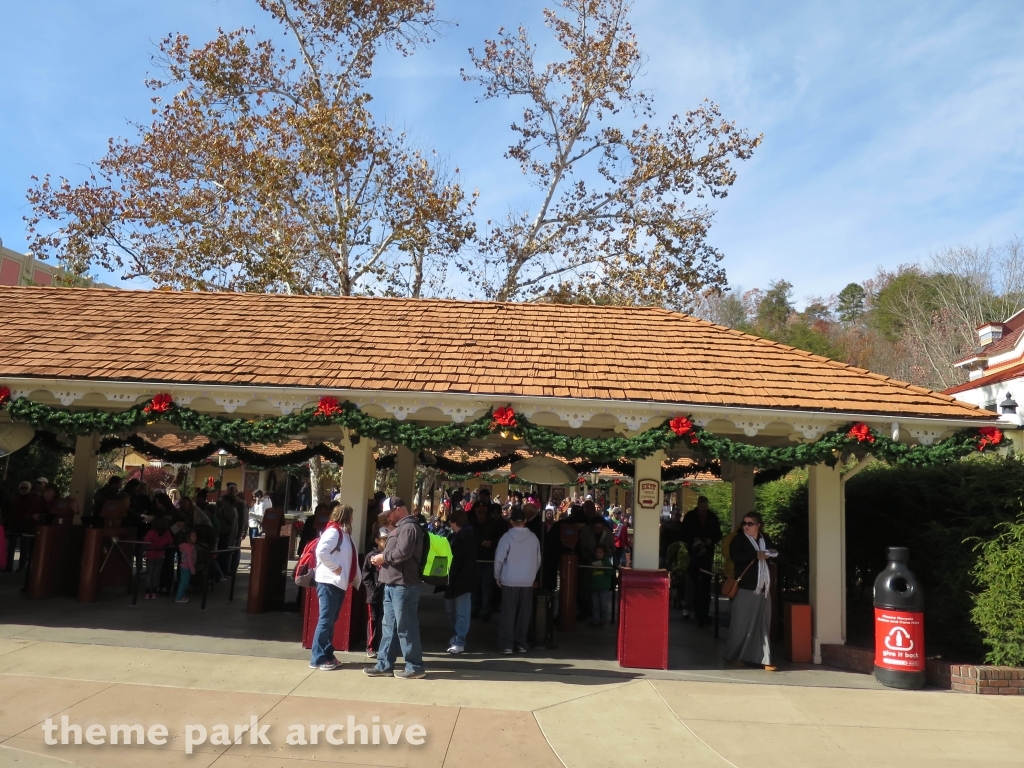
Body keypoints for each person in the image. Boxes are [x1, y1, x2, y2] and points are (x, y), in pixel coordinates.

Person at [364, 496, 426, 679]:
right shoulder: (404, 528)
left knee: (406, 627)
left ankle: (414, 667)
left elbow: (403, 552)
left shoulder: (409, 528)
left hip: (404, 585)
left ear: (398, 509)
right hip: (395, 584)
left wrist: (383, 557)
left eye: (389, 514)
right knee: (389, 626)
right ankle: (384, 664)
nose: (388, 518)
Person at [723, 512, 778, 671]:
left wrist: (772, 553)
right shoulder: (739, 539)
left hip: (763, 588)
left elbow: (776, 553)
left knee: (762, 623)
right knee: (741, 624)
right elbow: (735, 556)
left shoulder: (764, 539)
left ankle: (764, 658)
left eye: (750, 523)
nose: (746, 526)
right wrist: (755, 555)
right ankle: (733, 655)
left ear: (758, 525)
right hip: (746, 587)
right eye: (744, 523)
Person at [310, 504, 358, 671]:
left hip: (337, 583)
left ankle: (327, 654)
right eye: (351, 515)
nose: (353, 519)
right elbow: (322, 552)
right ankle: (318, 657)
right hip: (329, 582)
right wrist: (336, 567)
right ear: (346, 517)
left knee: (330, 620)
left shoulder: (343, 534)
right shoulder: (333, 532)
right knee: (326, 620)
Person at [493, 507, 541, 654]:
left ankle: (507, 644)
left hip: (509, 579)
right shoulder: (533, 538)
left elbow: (499, 560)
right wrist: (532, 576)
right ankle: (521, 642)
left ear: (511, 521)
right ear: (525, 521)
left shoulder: (506, 538)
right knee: (524, 614)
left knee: (508, 613)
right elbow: (538, 560)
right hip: (527, 580)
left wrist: (497, 576)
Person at [679, 496, 722, 627]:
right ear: (698, 505)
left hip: (707, 553)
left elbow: (718, 534)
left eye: (706, 507)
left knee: (705, 582)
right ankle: (687, 607)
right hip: (694, 553)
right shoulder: (690, 516)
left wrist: (711, 540)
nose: (704, 509)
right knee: (692, 580)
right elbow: (683, 533)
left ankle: (703, 610)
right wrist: (693, 540)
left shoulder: (712, 517)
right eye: (702, 507)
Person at [444, 510, 477, 654]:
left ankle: (459, 640)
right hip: (457, 580)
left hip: (460, 580)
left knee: (460, 612)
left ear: (453, 522)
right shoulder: (458, 537)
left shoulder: (462, 538)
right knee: (455, 611)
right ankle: (457, 637)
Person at [362, 527, 388, 658]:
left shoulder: (390, 555)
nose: (386, 542)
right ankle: (371, 647)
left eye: (388, 539)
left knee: (387, 621)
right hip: (374, 595)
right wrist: (373, 589)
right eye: (384, 539)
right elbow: (365, 576)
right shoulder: (371, 556)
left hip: (387, 594)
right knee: (373, 621)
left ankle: (384, 646)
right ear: (377, 540)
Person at [142, 517, 173, 600]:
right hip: (161, 555)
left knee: (149, 573)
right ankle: (154, 592)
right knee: (157, 573)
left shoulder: (152, 532)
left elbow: (145, 542)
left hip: (150, 554)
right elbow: (170, 542)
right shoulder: (167, 533)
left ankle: (147, 592)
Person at [589, 545, 614, 626]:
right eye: (596, 552)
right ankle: (596, 619)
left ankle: (603, 619)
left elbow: (610, 572)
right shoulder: (592, 563)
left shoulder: (607, 562)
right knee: (595, 604)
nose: (598, 554)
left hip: (604, 587)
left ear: (604, 553)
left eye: (600, 552)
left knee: (603, 604)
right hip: (594, 587)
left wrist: (603, 566)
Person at [176, 529, 198, 603]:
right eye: (193, 536)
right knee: (184, 582)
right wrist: (192, 569)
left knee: (183, 582)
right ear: (188, 538)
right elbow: (189, 560)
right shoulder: (189, 548)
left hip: (184, 566)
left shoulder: (186, 547)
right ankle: (179, 597)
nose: (195, 537)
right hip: (186, 567)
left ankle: (182, 595)